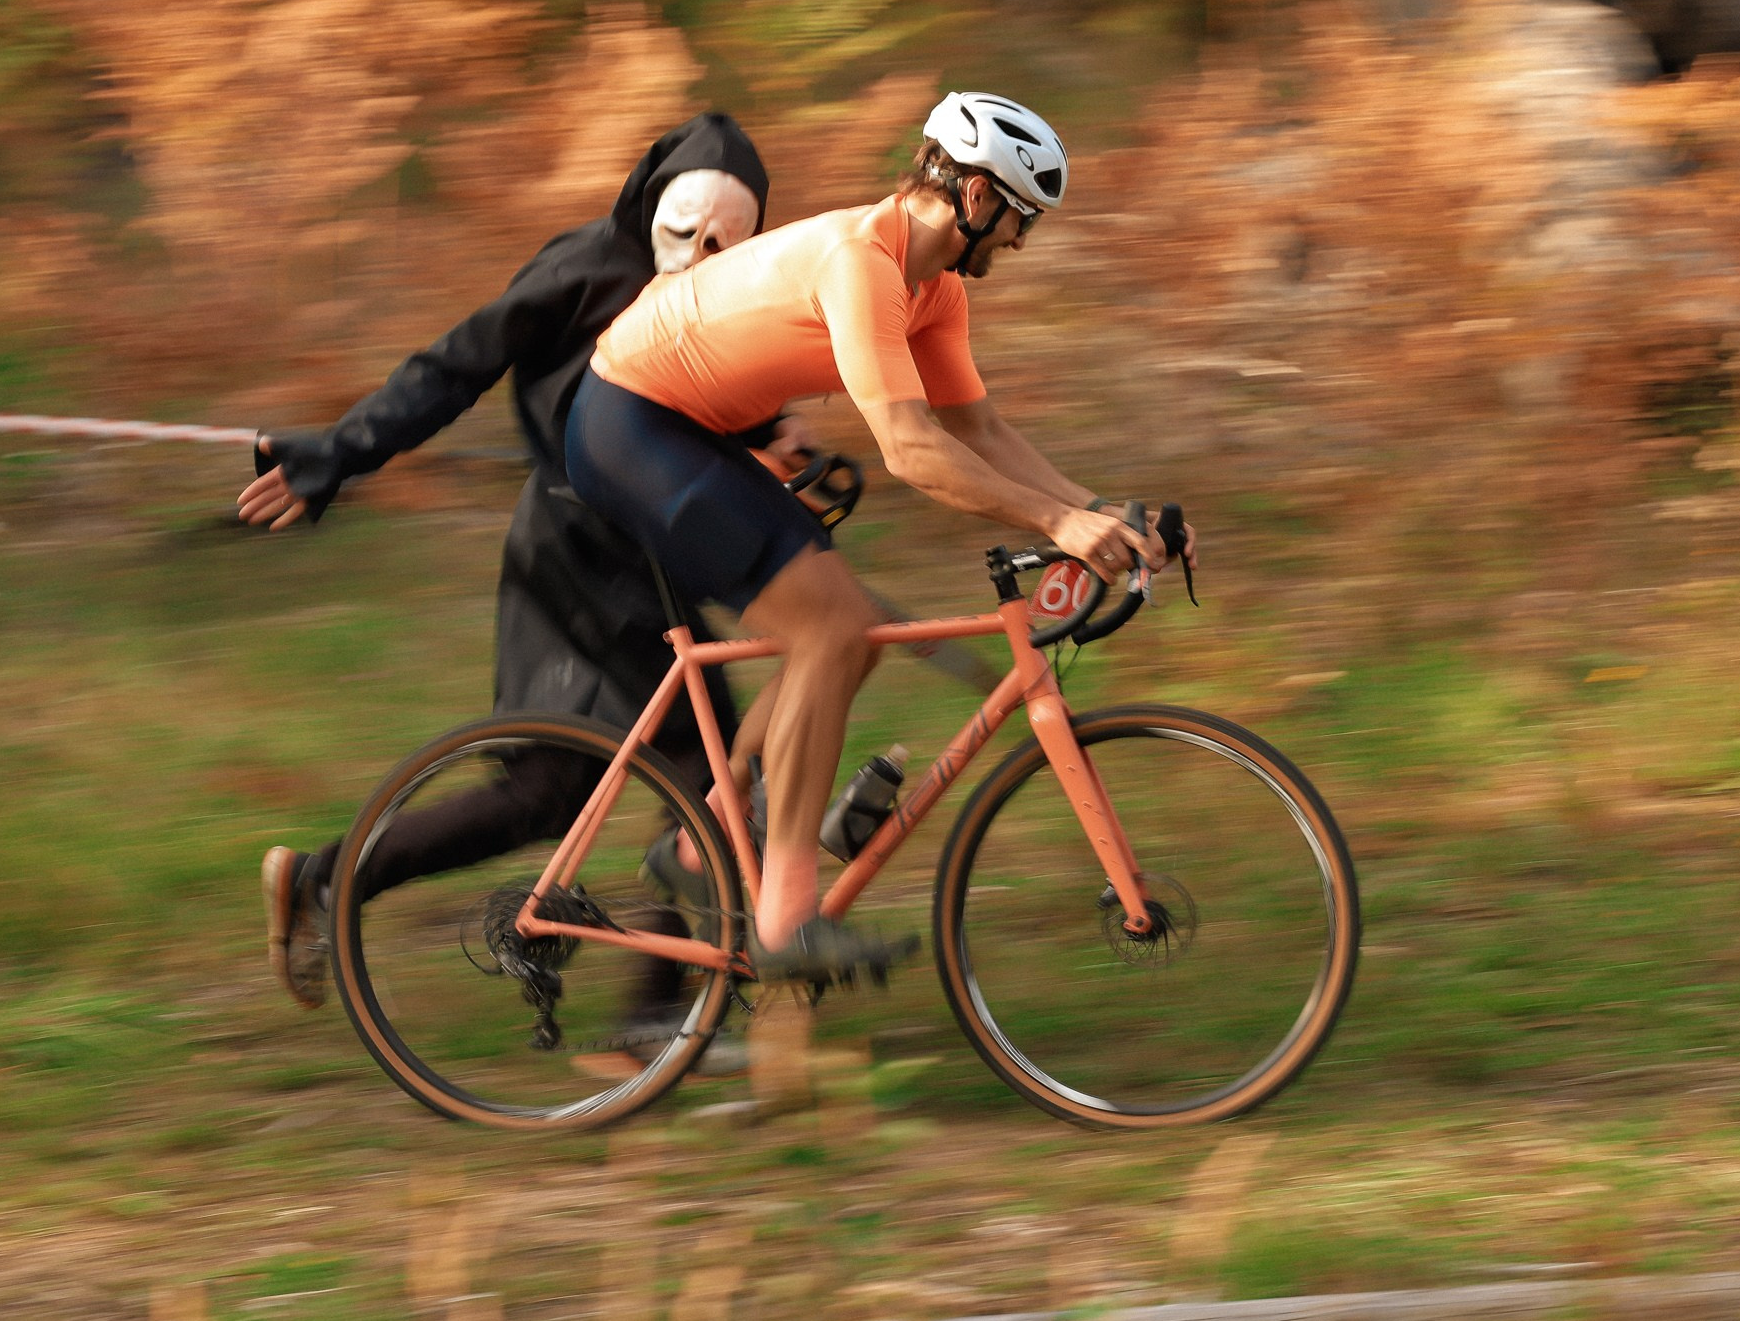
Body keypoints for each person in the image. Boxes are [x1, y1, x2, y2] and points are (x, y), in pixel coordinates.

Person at [567, 91, 1193, 987]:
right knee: (831, 629)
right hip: (630, 424)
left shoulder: (932, 290)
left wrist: (1105, 511)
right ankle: (784, 922)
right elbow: (909, 448)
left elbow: (977, 431)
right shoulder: (861, 262)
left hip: (690, 431)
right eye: (1021, 219)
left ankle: (702, 850)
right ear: (976, 199)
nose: (1022, 242)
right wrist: (1057, 522)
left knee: (846, 636)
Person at [244, 113, 799, 1013]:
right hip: (575, 561)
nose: (697, 254)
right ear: (650, 204)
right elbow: (454, 365)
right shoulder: (583, 269)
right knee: (707, 779)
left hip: (648, 555)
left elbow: (697, 403)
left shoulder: (717, 293)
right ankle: (660, 1022)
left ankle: (324, 879)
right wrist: (337, 453)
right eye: (685, 230)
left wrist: (775, 436)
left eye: (721, 242)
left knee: (565, 790)